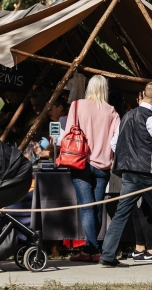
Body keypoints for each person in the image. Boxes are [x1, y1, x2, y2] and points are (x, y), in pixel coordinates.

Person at [64, 75, 119, 262]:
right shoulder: (112, 111)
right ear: (105, 89)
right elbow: (115, 142)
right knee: (96, 208)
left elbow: (67, 133)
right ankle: (91, 249)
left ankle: (92, 249)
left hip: (79, 162)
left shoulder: (77, 105)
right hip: (103, 165)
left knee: (87, 208)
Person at [100, 83, 152, 267]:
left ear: (142, 95)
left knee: (121, 214)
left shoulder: (127, 116)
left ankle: (107, 255)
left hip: (129, 172)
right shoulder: (151, 118)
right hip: (147, 173)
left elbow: (115, 144)